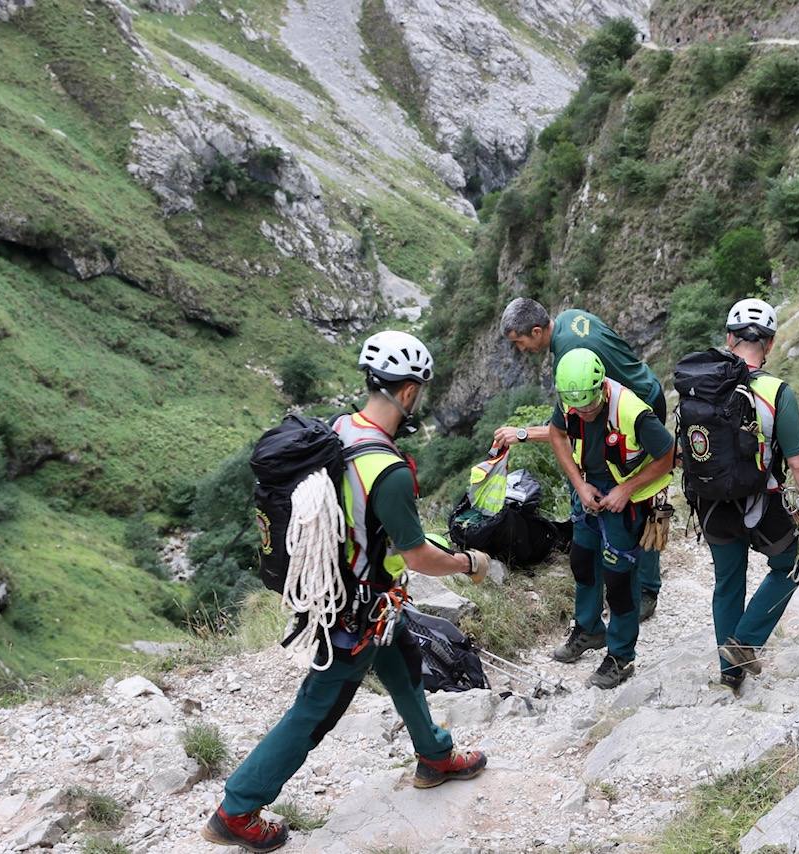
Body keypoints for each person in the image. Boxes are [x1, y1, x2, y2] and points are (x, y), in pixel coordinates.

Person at [202, 331, 492, 853]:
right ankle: (237, 808)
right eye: (418, 392)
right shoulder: (390, 471)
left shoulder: (338, 431)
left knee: (403, 660)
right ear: (408, 394)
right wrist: (469, 562)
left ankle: (434, 755)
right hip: (355, 613)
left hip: (353, 596)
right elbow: (419, 555)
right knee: (316, 708)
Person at [697, 299, 799, 693]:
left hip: (710, 504)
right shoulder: (777, 392)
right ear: (771, 344)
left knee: (728, 580)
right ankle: (744, 643)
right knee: (791, 562)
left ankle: (730, 674)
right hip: (761, 503)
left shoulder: (701, 383)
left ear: (728, 338)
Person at [494, 297, 667, 622]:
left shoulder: (570, 353)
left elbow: (575, 423)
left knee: (638, 504)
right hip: (643, 388)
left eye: (519, 342)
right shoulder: (570, 319)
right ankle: (623, 584)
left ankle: (646, 589)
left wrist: (523, 433)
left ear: (535, 331)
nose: (521, 350)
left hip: (639, 410)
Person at [545, 348, 674, 688]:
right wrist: (579, 484)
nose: (584, 414)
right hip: (589, 489)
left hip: (626, 499)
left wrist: (627, 490)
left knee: (619, 581)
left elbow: (668, 455)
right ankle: (588, 630)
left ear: (602, 388)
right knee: (583, 561)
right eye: (578, 409)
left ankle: (621, 656)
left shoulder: (631, 411)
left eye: (589, 407)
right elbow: (557, 434)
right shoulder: (571, 398)